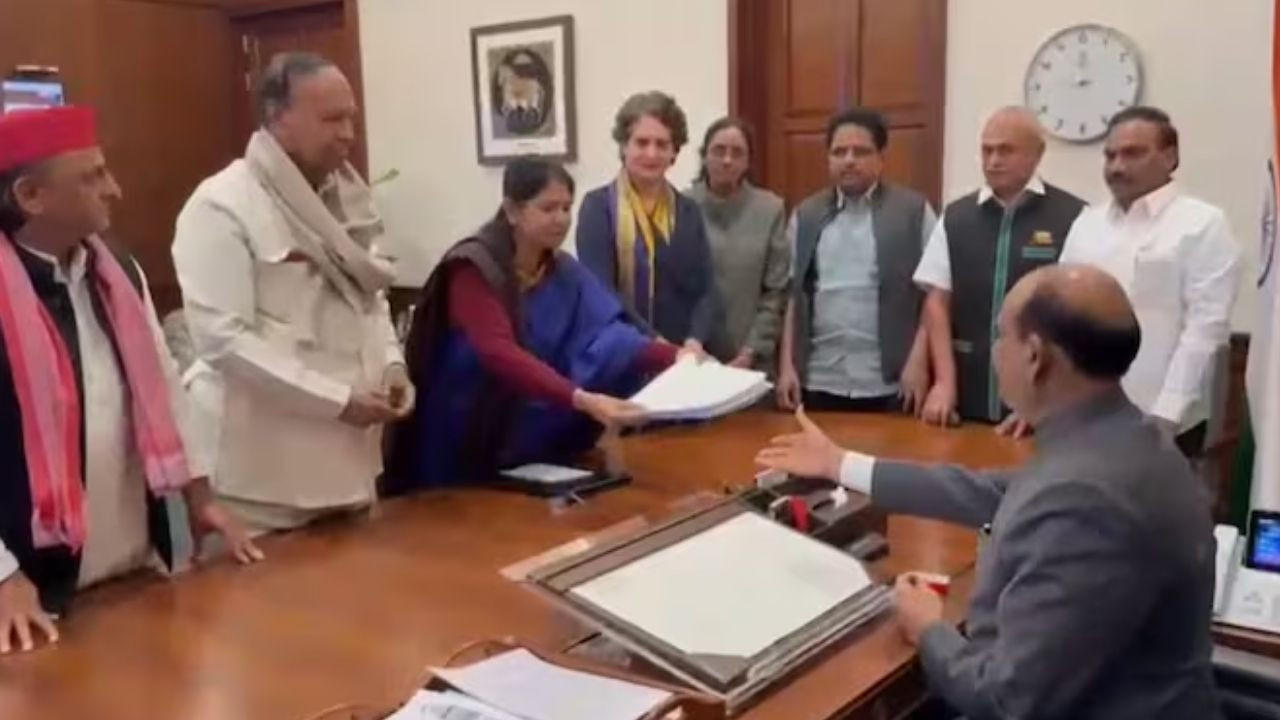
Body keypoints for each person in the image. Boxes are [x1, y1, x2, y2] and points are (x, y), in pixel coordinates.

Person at [757, 264, 1219, 719]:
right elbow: (992, 492)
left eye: (1001, 336)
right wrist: (841, 464)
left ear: (1035, 357)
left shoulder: (1087, 498)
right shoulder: (1128, 439)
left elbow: (1004, 701)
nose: (994, 352)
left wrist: (928, 628)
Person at [0, 107, 261, 654]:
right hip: (25, 601)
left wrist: (199, 494)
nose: (114, 189)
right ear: (30, 196)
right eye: (91, 177)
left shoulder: (116, 269)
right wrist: (3, 576)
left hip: (129, 574)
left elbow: (163, 383)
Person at [172, 52, 412, 533]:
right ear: (277, 118)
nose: (348, 133)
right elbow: (224, 341)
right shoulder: (221, 204)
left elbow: (369, 298)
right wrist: (337, 401)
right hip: (264, 483)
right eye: (331, 119)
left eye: (351, 118)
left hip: (350, 469)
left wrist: (392, 364)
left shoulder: (350, 201)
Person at [382, 158, 678, 491]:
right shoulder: (474, 268)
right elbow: (498, 352)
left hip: (529, 436)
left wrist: (679, 358)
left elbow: (615, 339)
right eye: (548, 208)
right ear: (512, 211)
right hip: (464, 431)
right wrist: (584, 399)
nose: (561, 219)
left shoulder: (563, 271)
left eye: (566, 208)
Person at [1059, 106, 1240, 453]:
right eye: (1110, 155)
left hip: (1162, 418)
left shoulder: (1202, 224)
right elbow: (1061, 314)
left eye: (1133, 154)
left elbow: (1206, 328)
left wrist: (1167, 415)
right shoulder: (1087, 224)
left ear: (1170, 157)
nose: (1117, 166)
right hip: (1082, 415)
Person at [914, 107, 1085, 428]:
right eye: (987, 150)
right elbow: (937, 301)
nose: (993, 161)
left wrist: (1042, 398)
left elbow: (1075, 315)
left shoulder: (1074, 215)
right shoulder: (956, 216)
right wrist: (944, 383)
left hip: (1040, 397)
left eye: (1005, 150)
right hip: (966, 388)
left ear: (1037, 153)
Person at [777, 108, 936, 413]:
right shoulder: (806, 215)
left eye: (860, 152)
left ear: (881, 157)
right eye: (839, 152)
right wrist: (787, 367)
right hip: (818, 381)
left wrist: (919, 361)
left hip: (892, 383)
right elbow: (793, 298)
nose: (849, 160)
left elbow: (934, 296)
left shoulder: (914, 212)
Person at [576, 91, 721, 354]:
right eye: (641, 143)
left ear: (674, 152)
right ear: (624, 146)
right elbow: (601, 291)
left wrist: (695, 340)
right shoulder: (598, 208)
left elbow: (706, 289)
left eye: (662, 144)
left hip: (683, 357)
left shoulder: (688, 211)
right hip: (620, 355)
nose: (651, 154)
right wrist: (655, 343)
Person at [686, 117, 789, 369]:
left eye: (737, 153)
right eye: (719, 151)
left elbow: (775, 291)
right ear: (704, 156)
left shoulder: (770, 209)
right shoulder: (681, 207)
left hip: (752, 358)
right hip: (692, 356)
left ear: (748, 161)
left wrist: (752, 350)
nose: (727, 160)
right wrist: (692, 346)